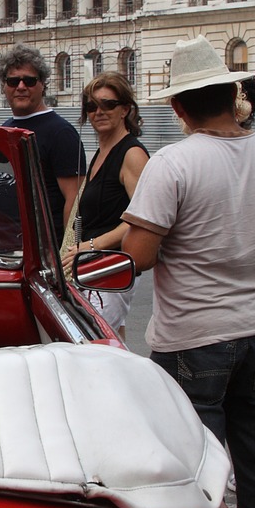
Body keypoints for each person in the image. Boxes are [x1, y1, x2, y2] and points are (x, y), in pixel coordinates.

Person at [121, 35, 255, 508]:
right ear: (234, 97)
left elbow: (138, 256)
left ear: (178, 106)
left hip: (193, 339)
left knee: (197, 467)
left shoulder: (173, 164)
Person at [60, 72, 149, 339]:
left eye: (108, 104)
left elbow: (143, 218)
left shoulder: (131, 154)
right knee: (110, 341)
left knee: (93, 342)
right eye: (91, 106)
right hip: (92, 270)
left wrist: (89, 246)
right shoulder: (101, 152)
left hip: (110, 269)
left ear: (125, 110)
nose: (98, 112)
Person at [0, 44, 85, 254]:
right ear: (4, 86)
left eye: (29, 80)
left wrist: (63, 255)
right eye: (13, 81)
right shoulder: (4, 130)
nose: (21, 86)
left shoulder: (61, 133)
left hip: (37, 256)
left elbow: (74, 202)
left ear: (42, 84)